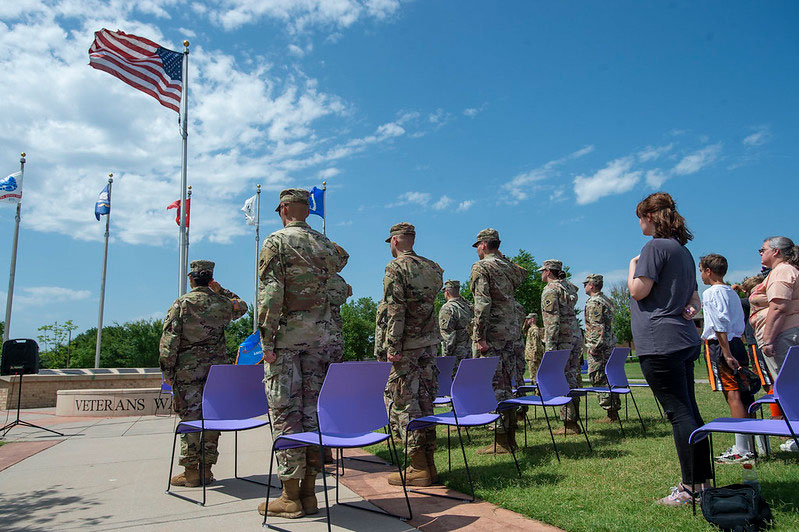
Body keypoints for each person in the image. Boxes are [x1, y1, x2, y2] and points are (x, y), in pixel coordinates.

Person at [257, 188, 348, 518]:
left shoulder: (276, 242)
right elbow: (341, 274)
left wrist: (265, 342)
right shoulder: (325, 245)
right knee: (312, 414)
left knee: (285, 414)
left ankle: (290, 496)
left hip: (288, 341)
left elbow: (271, 295)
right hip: (323, 341)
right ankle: (310, 494)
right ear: (307, 210)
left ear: (283, 209)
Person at [627, 191, 710, 506]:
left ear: (650, 217)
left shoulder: (653, 248)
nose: (639, 223)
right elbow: (693, 295)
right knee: (690, 411)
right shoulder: (682, 251)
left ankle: (689, 489)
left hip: (659, 341)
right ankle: (701, 483)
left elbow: (638, 291)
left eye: (639, 217)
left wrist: (633, 264)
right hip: (684, 339)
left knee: (679, 414)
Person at [160, 260, 248, 488]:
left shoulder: (182, 303)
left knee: (190, 419)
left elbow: (169, 340)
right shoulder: (222, 303)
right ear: (210, 279)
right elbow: (243, 306)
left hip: (188, 371)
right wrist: (221, 291)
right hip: (217, 371)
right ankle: (207, 470)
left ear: (191, 279)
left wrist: (167, 370)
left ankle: (191, 473)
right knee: (212, 417)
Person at [383, 222, 443, 487]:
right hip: (429, 342)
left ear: (395, 241)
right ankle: (428, 464)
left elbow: (395, 308)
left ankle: (418, 467)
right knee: (426, 399)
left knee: (405, 402)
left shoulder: (395, 267)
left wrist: (392, 345)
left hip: (407, 345)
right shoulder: (433, 267)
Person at [470, 228, 527, 454]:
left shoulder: (481, 267)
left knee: (495, 385)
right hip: (512, 333)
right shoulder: (507, 267)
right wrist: (502, 256)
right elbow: (522, 274)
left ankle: (502, 440)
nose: (476, 251)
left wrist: (479, 336)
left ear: (483, 245)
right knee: (509, 382)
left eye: (477, 246)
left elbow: (482, 304)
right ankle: (510, 435)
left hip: (493, 334)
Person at [698, 254, 755, 463]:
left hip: (722, 346)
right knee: (745, 392)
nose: (701, 275)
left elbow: (719, 323)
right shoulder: (731, 293)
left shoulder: (710, 293)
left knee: (732, 395)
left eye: (702, 270)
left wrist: (726, 352)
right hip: (738, 342)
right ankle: (752, 443)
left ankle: (742, 449)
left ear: (708, 271)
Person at [540, 259, 582, 434]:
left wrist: (549, 348)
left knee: (562, 377)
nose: (541, 274)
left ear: (548, 271)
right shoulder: (568, 287)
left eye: (543, 271)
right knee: (572, 376)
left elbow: (552, 322)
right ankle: (573, 420)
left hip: (561, 339)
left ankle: (569, 422)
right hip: (574, 335)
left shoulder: (550, 289)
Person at [759, 236, 799, 379]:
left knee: (788, 384)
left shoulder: (782, 271)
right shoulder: (788, 270)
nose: (760, 253)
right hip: (787, 332)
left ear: (775, 251)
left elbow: (778, 308)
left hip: (783, 335)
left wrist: (768, 340)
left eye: (762, 250)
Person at [583, 274, 621, 423]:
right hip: (609, 345)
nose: (584, 287)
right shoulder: (606, 300)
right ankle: (613, 411)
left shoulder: (594, 302)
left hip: (600, 348)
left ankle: (610, 412)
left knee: (598, 377)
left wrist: (594, 347)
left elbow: (596, 327)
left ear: (591, 285)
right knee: (609, 377)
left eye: (585, 284)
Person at [438, 280, 474, 379]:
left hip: (455, 357)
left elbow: (448, 337)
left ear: (447, 292)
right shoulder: (468, 307)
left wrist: (446, 359)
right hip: (469, 353)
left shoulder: (448, 308)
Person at [523, 312, 544, 384]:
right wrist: (525, 324)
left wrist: (534, 356)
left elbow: (536, 344)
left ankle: (537, 392)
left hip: (533, 357)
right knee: (532, 376)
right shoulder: (530, 329)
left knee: (534, 377)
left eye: (528, 319)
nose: (527, 321)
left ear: (532, 319)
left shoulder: (535, 330)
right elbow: (523, 331)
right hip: (530, 356)